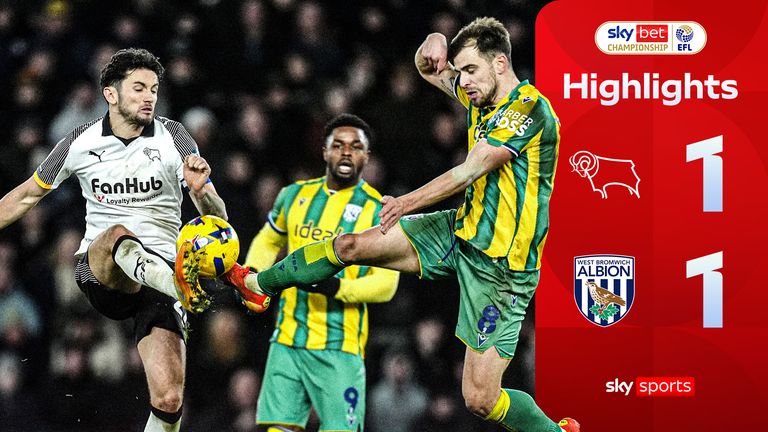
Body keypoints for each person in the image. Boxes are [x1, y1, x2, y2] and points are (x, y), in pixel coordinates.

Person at [227, 18, 580, 432]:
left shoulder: (529, 110)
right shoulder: (481, 96)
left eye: (470, 71)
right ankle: (257, 285)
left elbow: (470, 171)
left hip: (502, 269)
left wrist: (405, 202)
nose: (461, 81)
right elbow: (428, 68)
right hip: (458, 232)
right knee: (350, 246)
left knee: (480, 399)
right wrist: (431, 42)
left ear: (500, 63)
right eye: (460, 71)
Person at [0, 47, 228, 432]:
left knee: (169, 400)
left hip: (160, 274)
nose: (148, 97)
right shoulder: (79, 140)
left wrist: (203, 191)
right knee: (121, 235)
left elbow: (218, 222)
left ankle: (172, 282)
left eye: (154, 89)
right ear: (110, 93)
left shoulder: (175, 135)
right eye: (138, 88)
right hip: (101, 268)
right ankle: (175, 281)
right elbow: (25, 195)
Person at [227, 114, 400, 431]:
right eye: (338, 145)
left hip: (340, 347)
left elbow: (387, 285)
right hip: (287, 339)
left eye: (355, 146)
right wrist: (252, 275)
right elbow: (268, 238)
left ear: (367, 156)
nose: (346, 152)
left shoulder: (380, 212)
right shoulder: (293, 196)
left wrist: (335, 288)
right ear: (324, 151)